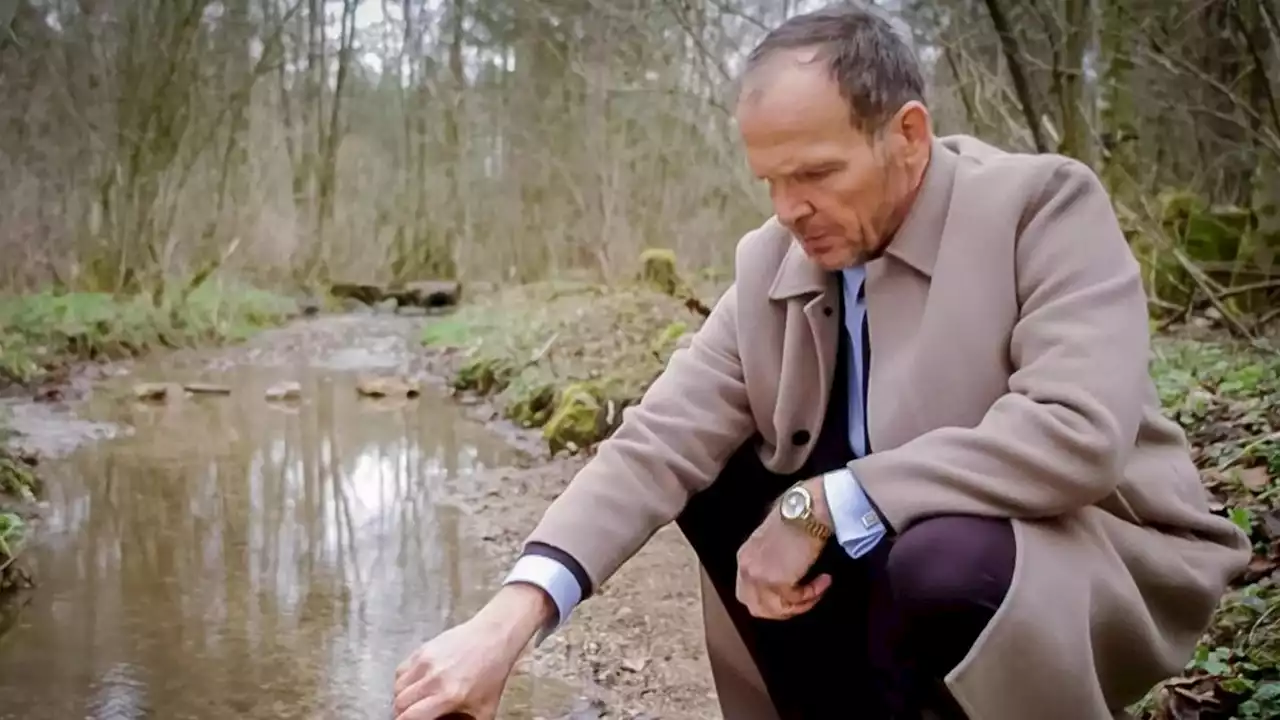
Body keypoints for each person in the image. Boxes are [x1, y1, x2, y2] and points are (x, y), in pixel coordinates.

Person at [392, 4, 1253, 719]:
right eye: (769, 180)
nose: (790, 210)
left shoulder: (1040, 207)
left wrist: (827, 501)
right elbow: (655, 444)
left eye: (815, 172)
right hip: (881, 569)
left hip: (1077, 556)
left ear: (907, 136)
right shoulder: (774, 261)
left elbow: (1078, 432)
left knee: (944, 560)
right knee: (712, 469)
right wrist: (507, 622)